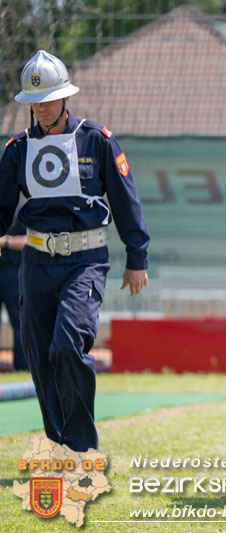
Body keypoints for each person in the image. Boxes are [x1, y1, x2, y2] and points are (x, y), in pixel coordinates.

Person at [0, 50, 150, 452]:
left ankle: (82, 447)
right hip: (35, 265)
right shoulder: (16, 149)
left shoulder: (97, 140)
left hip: (85, 262)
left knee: (68, 346)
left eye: (49, 98)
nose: (43, 108)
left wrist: (137, 258)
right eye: (35, 101)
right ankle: (61, 444)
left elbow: (125, 201)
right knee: (38, 357)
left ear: (65, 97)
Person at [0, 219, 28, 371]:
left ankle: (23, 364)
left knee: (19, 322)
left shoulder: (18, 212)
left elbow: (31, 240)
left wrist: (5, 241)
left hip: (13, 272)